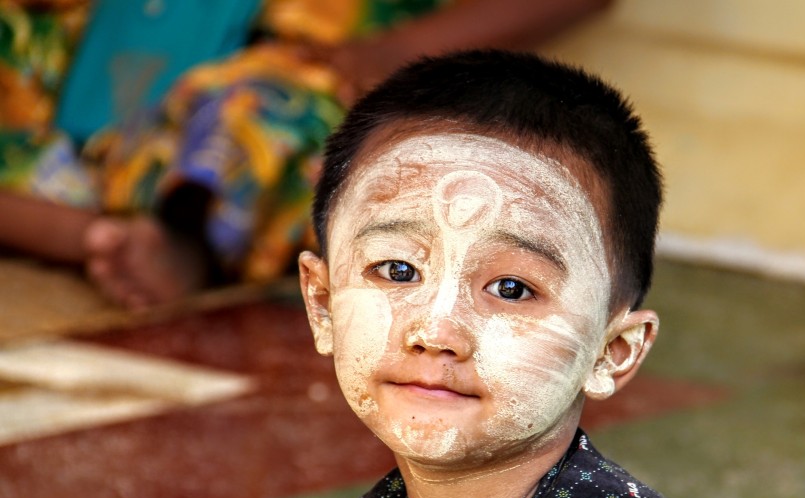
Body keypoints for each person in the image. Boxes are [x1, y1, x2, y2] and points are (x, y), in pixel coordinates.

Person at [258, 50, 805, 498]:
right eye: (397, 270)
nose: (435, 330)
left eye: (511, 288)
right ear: (321, 303)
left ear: (614, 352)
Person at [0, 0, 612, 310]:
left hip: (291, 72)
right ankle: (96, 236)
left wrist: (397, 52)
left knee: (264, 118)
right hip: (89, 69)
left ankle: (179, 240)